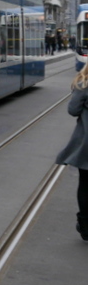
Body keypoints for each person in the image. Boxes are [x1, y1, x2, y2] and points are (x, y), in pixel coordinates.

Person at [55, 62, 88, 240]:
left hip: (87, 144)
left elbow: (73, 110)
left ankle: (85, 226)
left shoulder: (83, 84)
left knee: (85, 184)